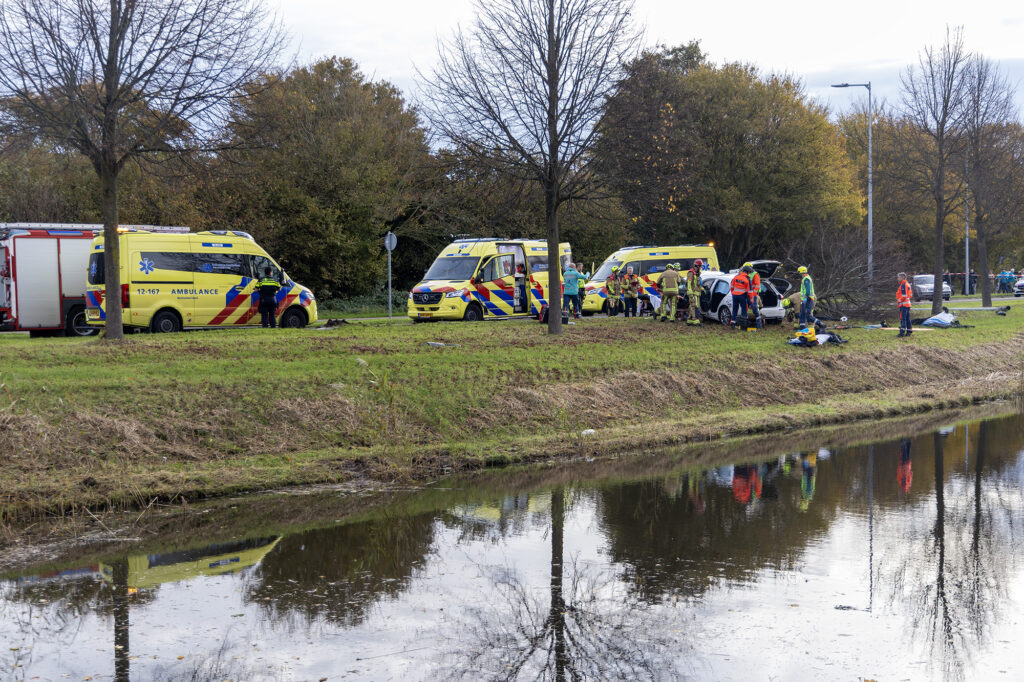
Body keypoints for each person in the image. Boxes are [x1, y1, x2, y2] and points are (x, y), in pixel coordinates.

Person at [743, 263, 762, 330]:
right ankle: (746, 325)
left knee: (755, 310)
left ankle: (759, 326)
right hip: (747, 294)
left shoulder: (755, 274)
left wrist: (753, 294)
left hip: (753, 295)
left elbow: (757, 285)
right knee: (746, 310)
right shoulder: (744, 274)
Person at [685, 259, 703, 325]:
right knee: (694, 306)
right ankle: (695, 320)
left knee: (692, 306)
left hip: (697, 293)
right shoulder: (691, 273)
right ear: (697, 266)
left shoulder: (697, 274)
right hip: (693, 293)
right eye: (700, 266)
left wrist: (702, 288)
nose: (700, 268)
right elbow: (688, 283)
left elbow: (697, 284)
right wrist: (690, 293)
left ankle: (689, 320)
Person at [896, 271, 913, 337]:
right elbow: (910, 295)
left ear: (902, 278)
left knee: (903, 319)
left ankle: (902, 332)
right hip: (907, 304)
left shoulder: (903, 285)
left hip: (903, 305)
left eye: (898, 277)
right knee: (907, 318)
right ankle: (909, 331)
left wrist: (899, 301)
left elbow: (904, 295)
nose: (898, 279)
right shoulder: (908, 284)